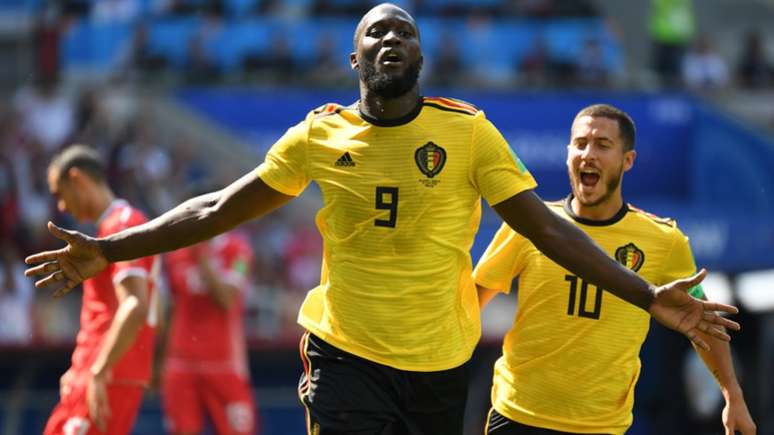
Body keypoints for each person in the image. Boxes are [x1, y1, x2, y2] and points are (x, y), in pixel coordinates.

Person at [26, 4, 739, 434]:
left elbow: (546, 228)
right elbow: (215, 206)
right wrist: (110, 249)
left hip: (436, 366)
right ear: (354, 55)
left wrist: (648, 296)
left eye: (404, 31)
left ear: (421, 54)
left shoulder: (469, 133)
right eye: (376, 32)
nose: (391, 39)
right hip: (345, 355)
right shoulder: (320, 135)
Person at [475, 104, 756, 435]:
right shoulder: (530, 225)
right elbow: (470, 302)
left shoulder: (664, 240)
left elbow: (702, 323)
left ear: (628, 160)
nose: (588, 154)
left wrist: (732, 396)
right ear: (567, 154)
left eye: (602, 145)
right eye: (580, 144)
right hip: (518, 416)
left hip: (602, 426)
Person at [42, 145, 159, 435]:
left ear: (77, 179)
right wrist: (80, 368)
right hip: (95, 370)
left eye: (59, 193)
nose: (61, 206)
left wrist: (98, 370)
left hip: (108, 374)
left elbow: (135, 304)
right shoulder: (108, 229)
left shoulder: (125, 225)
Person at [161, 228, 258, 435]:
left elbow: (226, 299)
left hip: (224, 363)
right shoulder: (176, 253)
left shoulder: (239, 251)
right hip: (182, 362)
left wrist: (202, 257)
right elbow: (172, 307)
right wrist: (159, 361)